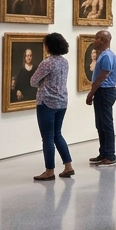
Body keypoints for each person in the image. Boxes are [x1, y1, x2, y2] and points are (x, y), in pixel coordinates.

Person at [31, 33, 73, 181]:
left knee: (47, 137)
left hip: (47, 103)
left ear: (49, 46)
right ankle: (68, 166)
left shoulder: (47, 63)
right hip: (62, 102)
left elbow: (33, 81)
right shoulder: (64, 62)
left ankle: (49, 170)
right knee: (57, 134)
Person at [85, 30, 116, 165]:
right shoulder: (104, 55)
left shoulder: (106, 56)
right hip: (102, 92)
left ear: (104, 41)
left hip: (105, 92)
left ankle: (110, 155)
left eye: (97, 38)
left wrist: (91, 93)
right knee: (100, 125)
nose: (94, 40)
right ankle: (103, 153)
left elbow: (102, 77)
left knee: (106, 125)